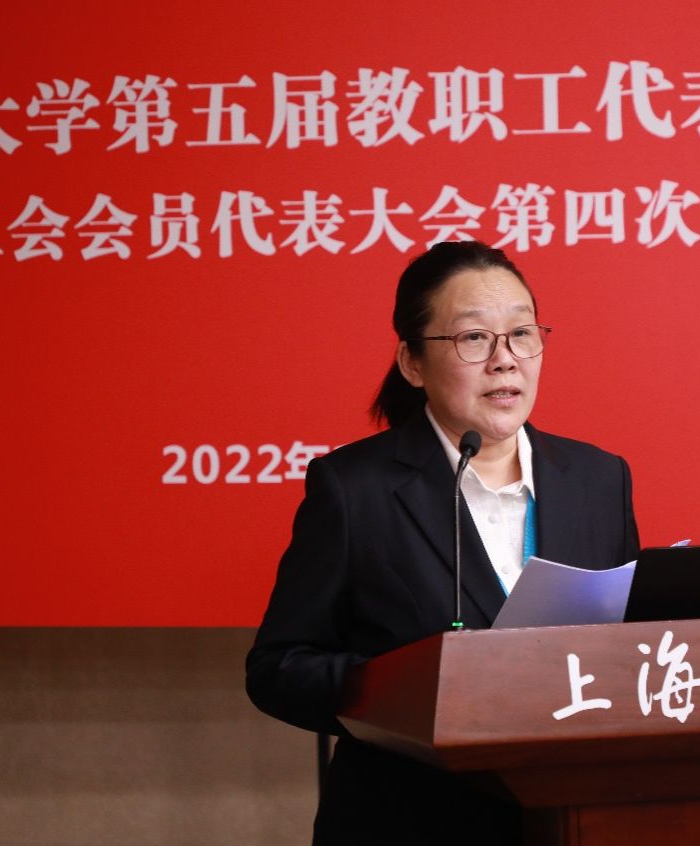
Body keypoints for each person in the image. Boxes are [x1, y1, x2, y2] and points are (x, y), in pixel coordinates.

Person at [246, 241, 640, 845]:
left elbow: (632, 643)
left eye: (522, 334)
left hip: (571, 819)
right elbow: (279, 667)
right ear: (412, 362)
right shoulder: (356, 490)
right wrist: (404, 692)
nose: (505, 361)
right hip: (411, 821)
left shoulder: (598, 478)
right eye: (473, 338)